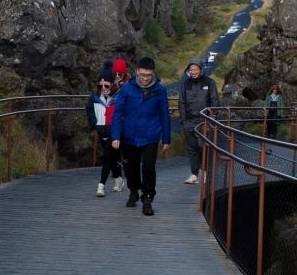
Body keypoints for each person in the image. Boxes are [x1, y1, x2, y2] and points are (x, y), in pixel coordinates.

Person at [110, 56, 171, 216]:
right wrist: (115, 136)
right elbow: (117, 113)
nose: (145, 78)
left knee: (149, 167)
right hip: (130, 134)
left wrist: (166, 138)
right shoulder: (127, 89)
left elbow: (164, 114)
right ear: (137, 71)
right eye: (142, 74)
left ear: (153, 73)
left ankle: (148, 198)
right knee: (131, 167)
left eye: (148, 75)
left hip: (151, 134)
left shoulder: (160, 90)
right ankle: (133, 191)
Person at [177, 58, 219, 184]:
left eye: (195, 69)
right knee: (192, 148)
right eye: (191, 70)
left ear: (201, 70)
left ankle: (205, 172)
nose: (193, 72)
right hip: (189, 121)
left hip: (204, 120)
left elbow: (215, 101)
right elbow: (181, 102)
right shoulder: (184, 83)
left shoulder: (210, 82)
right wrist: (184, 120)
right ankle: (194, 174)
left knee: (203, 147)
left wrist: (211, 118)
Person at [86, 67, 124, 196]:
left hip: (114, 131)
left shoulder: (118, 97)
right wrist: (95, 125)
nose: (103, 87)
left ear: (112, 84)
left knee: (107, 157)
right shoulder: (94, 97)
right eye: (100, 85)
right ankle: (118, 178)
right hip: (101, 130)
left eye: (106, 84)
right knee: (113, 157)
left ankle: (101, 185)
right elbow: (89, 111)